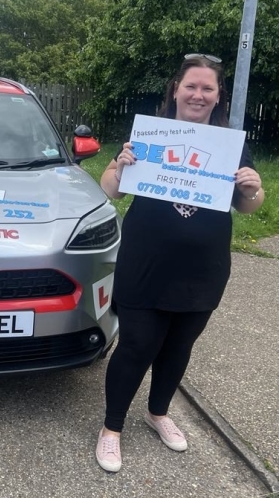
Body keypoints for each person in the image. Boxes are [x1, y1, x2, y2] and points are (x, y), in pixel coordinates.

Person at [96, 53, 265, 473]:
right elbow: (111, 191)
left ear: (218, 95)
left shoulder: (230, 146)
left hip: (202, 270)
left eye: (208, 88)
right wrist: (120, 167)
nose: (198, 94)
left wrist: (253, 187)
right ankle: (112, 429)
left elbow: (249, 207)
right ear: (176, 89)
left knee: (178, 347)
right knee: (136, 345)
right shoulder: (151, 135)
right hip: (145, 265)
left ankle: (158, 413)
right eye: (191, 86)